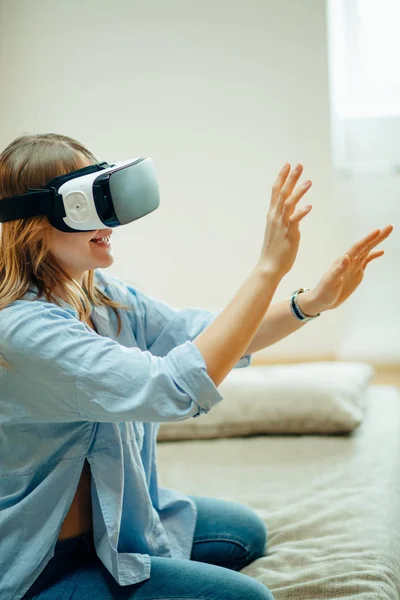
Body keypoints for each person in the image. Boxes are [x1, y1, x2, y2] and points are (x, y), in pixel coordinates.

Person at [0, 133, 392, 600]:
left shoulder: (97, 293)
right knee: (249, 598)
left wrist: (309, 303)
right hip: (43, 563)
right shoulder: (23, 331)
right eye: (89, 203)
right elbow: (172, 388)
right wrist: (268, 268)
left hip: (116, 530)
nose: (110, 219)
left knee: (244, 533)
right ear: (33, 222)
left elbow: (202, 336)